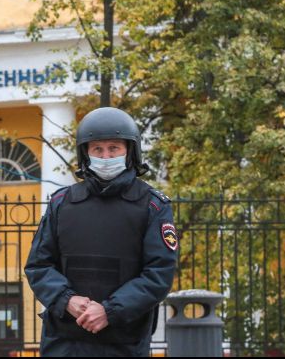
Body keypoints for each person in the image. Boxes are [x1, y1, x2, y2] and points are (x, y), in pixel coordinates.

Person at [25, 107, 179, 357]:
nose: (106, 156)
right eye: (97, 149)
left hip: (123, 342)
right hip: (64, 342)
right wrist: (67, 300)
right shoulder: (61, 203)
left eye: (113, 148)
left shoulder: (152, 205)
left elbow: (159, 273)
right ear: (86, 153)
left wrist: (109, 311)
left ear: (130, 151)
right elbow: (38, 266)